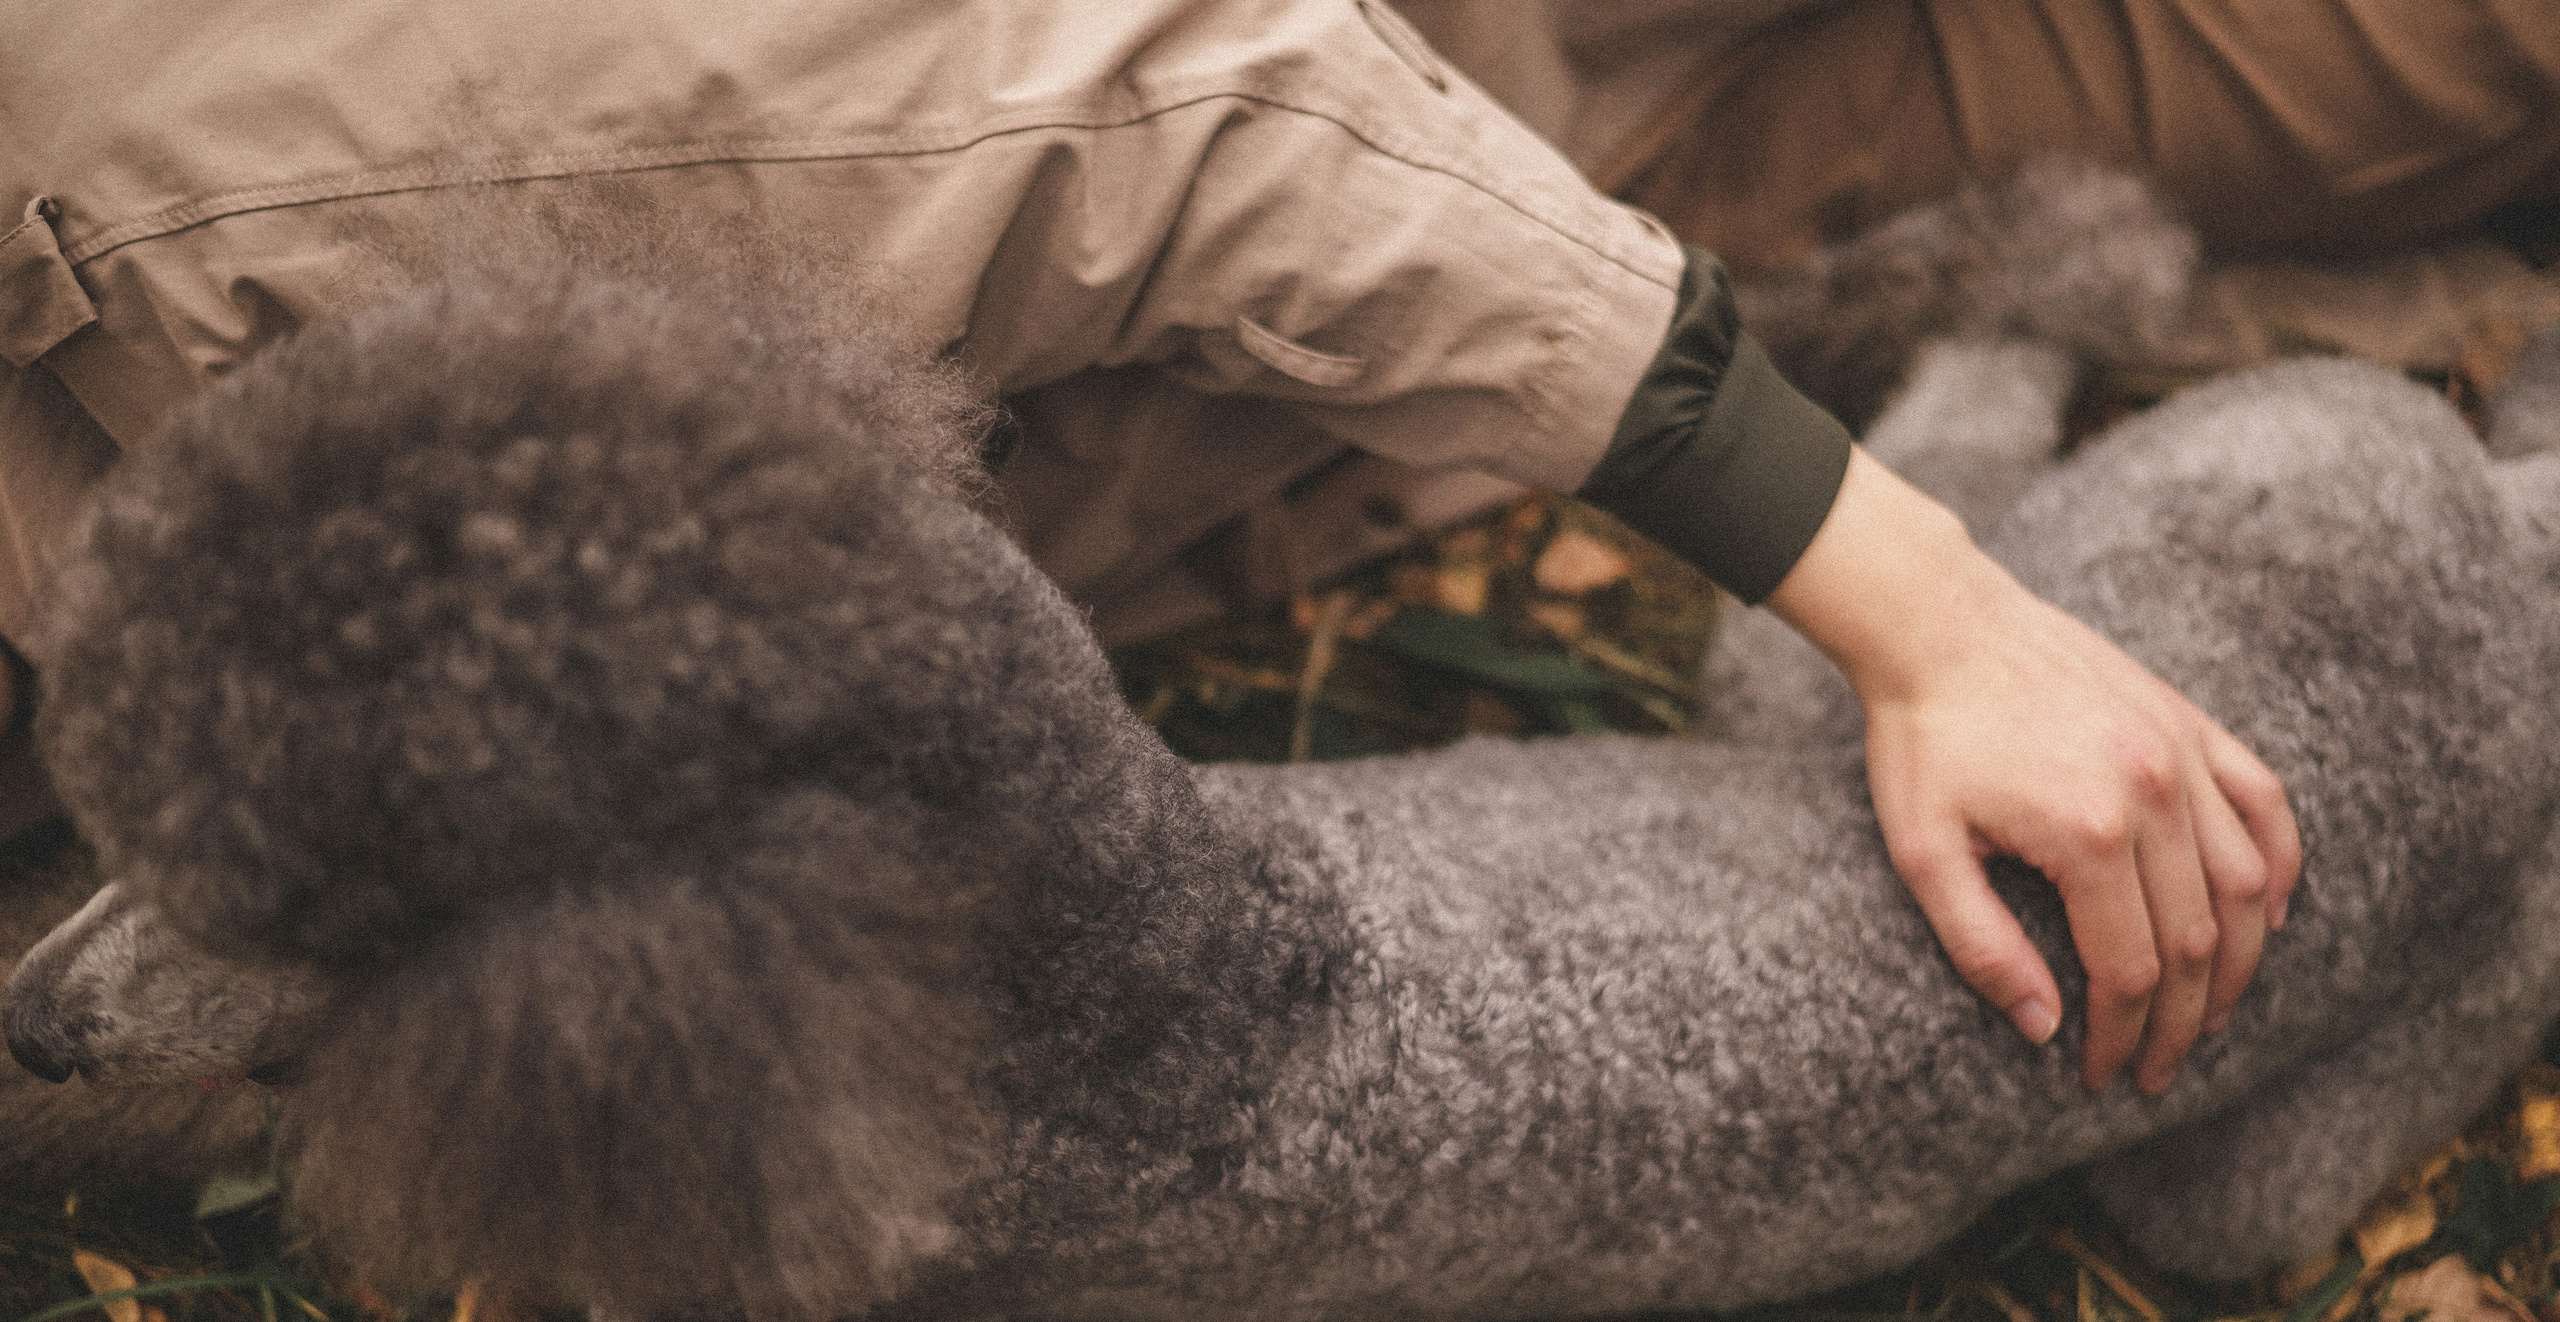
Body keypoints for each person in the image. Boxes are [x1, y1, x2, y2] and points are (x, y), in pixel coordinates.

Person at [38, 0, 2540, 1104]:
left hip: (1378, 115)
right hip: (1518, 218)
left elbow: (1194, 104)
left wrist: (1930, 613)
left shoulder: (188, 172)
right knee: (2360, 119)